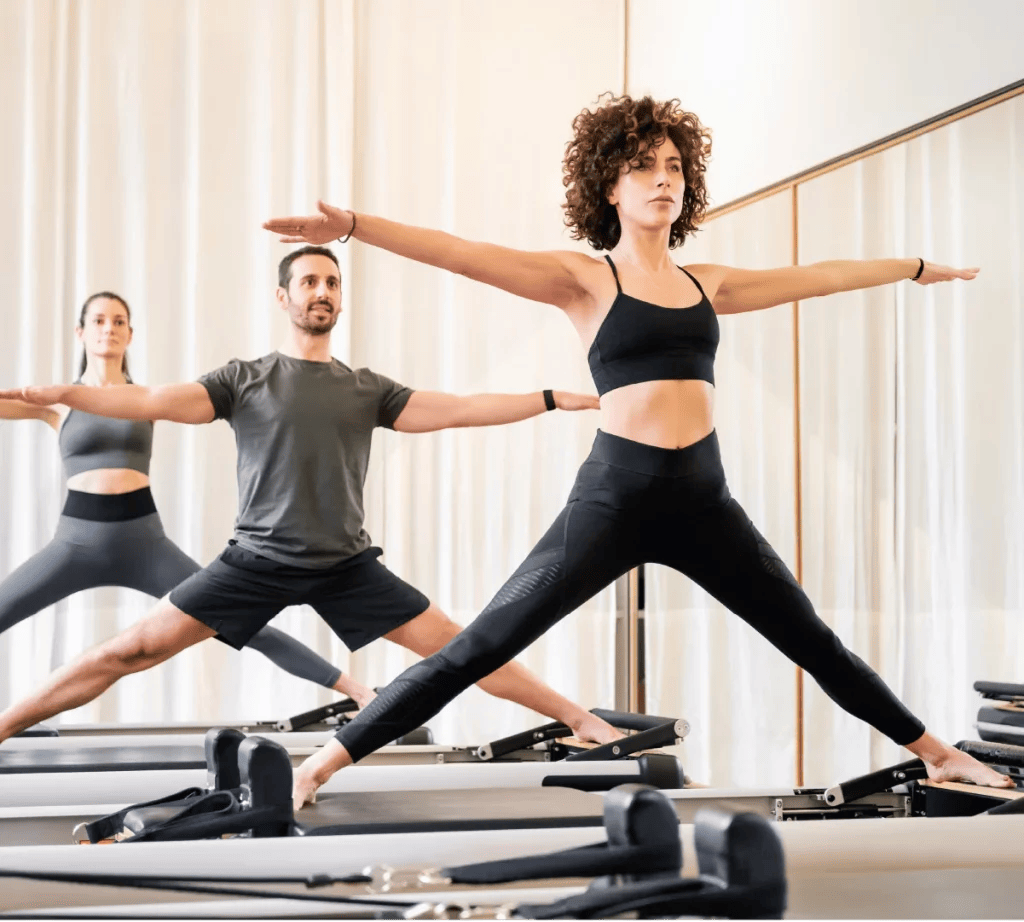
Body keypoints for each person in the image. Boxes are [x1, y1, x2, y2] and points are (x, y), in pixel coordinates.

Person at [260, 93, 1013, 808]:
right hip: (616, 496)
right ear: (610, 187)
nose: (663, 180)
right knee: (482, 644)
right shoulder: (585, 279)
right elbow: (462, 254)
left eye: (675, 168)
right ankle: (326, 761)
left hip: (703, 500)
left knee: (813, 639)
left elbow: (818, 278)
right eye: (644, 167)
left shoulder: (705, 283)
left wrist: (913, 267)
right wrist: (354, 226)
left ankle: (939, 753)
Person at [0, 247, 621, 749]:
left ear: (340, 298)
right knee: (128, 650)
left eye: (331, 283)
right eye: (308, 282)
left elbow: (458, 409)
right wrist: (62, 393)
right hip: (252, 562)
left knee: (464, 647)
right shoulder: (243, 380)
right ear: (284, 296)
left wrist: (547, 398)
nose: (321, 292)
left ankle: (579, 719)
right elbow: (147, 400)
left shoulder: (366, 389)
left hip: (344, 566)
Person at [0, 290, 376, 705]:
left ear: (130, 334)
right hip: (75, 543)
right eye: (99, 321)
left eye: (119, 321)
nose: (109, 328)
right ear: (81, 332)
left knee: (243, 621)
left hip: (144, 543)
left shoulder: (147, 397)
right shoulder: (58, 402)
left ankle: (358, 691)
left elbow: (216, 400)